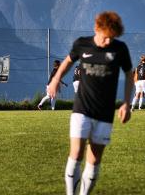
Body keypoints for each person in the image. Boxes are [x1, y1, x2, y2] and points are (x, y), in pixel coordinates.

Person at [48, 11, 134, 195]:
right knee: (77, 152)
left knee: (94, 159)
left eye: (113, 38)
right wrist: (55, 80)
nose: (108, 41)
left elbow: (128, 74)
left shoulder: (120, 49)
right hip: (82, 109)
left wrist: (127, 103)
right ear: (97, 29)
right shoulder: (82, 44)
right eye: (105, 37)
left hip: (105, 112)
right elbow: (67, 63)